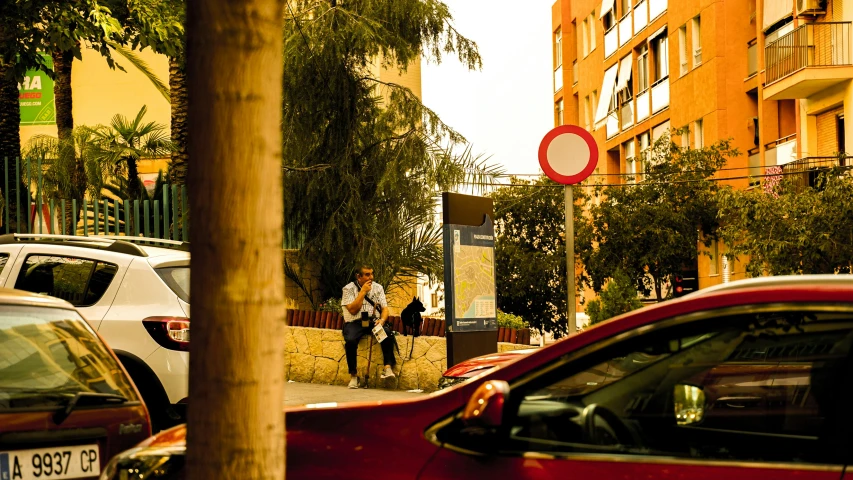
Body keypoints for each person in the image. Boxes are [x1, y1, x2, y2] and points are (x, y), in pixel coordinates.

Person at [341, 264, 396, 389]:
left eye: (371, 274)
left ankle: (387, 368)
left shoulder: (378, 288)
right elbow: (353, 310)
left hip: (373, 321)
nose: (370, 277)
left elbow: (385, 309)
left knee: (386, 333)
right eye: (367, 274)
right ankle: (354, 376)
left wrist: (382, 320)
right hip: (355, 322)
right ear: (358, 276)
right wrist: (363, 292)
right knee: (350, 341)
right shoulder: (348, 289)